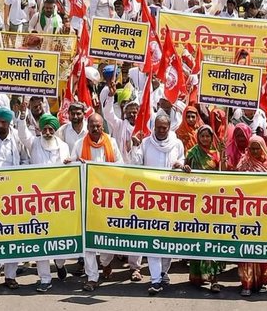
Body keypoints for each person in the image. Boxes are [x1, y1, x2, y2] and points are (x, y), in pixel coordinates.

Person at [131, 113, 187, 295]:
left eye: (164, 128)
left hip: (171, 200)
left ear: (169, 127)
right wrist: (136, 147)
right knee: (153, 241)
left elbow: (183, 160)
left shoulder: (177, 143)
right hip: (151, 200)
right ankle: (155, 280)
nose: (161, 131)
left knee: (168, 242)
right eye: (158, 127)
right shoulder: (146, 143)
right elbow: (136, 164)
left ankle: (163, 272)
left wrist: (181, 165)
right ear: (153, 126)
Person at [71, 113, 122, 292]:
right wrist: (76, 163)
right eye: (92, 125)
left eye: (98, 125)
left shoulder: (112, 142)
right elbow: (71, 168)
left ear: (103, 126)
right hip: (86, 200)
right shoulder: (79, 144)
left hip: (107, 200)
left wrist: (103, 170)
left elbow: (121, 165)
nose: (95, 128)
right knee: (88, 241)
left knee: (107, 238)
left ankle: (106, 262)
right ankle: (92, 277)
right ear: (88, 125)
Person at [184, 124, 225, 291]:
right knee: (198, 237)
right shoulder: (193, 153)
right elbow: (185, 168)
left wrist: (222, 156)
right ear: (198, 137)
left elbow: (224, 175)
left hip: (213, 203)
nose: (205, 139)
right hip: (196, 202)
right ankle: (198, 274)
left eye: (208, 136)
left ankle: (214, 278)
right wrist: (185, 168)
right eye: (202, 136)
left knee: (214, 239)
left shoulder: (216, 154)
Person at [236, 134, 267, 295]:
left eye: (258, 147)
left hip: (263, 214)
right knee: (246, 249)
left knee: (261, 248)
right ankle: (246, 283)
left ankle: (261, 281)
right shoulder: (243, 164)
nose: (255, 151)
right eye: (252, 148)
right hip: (246, 213)